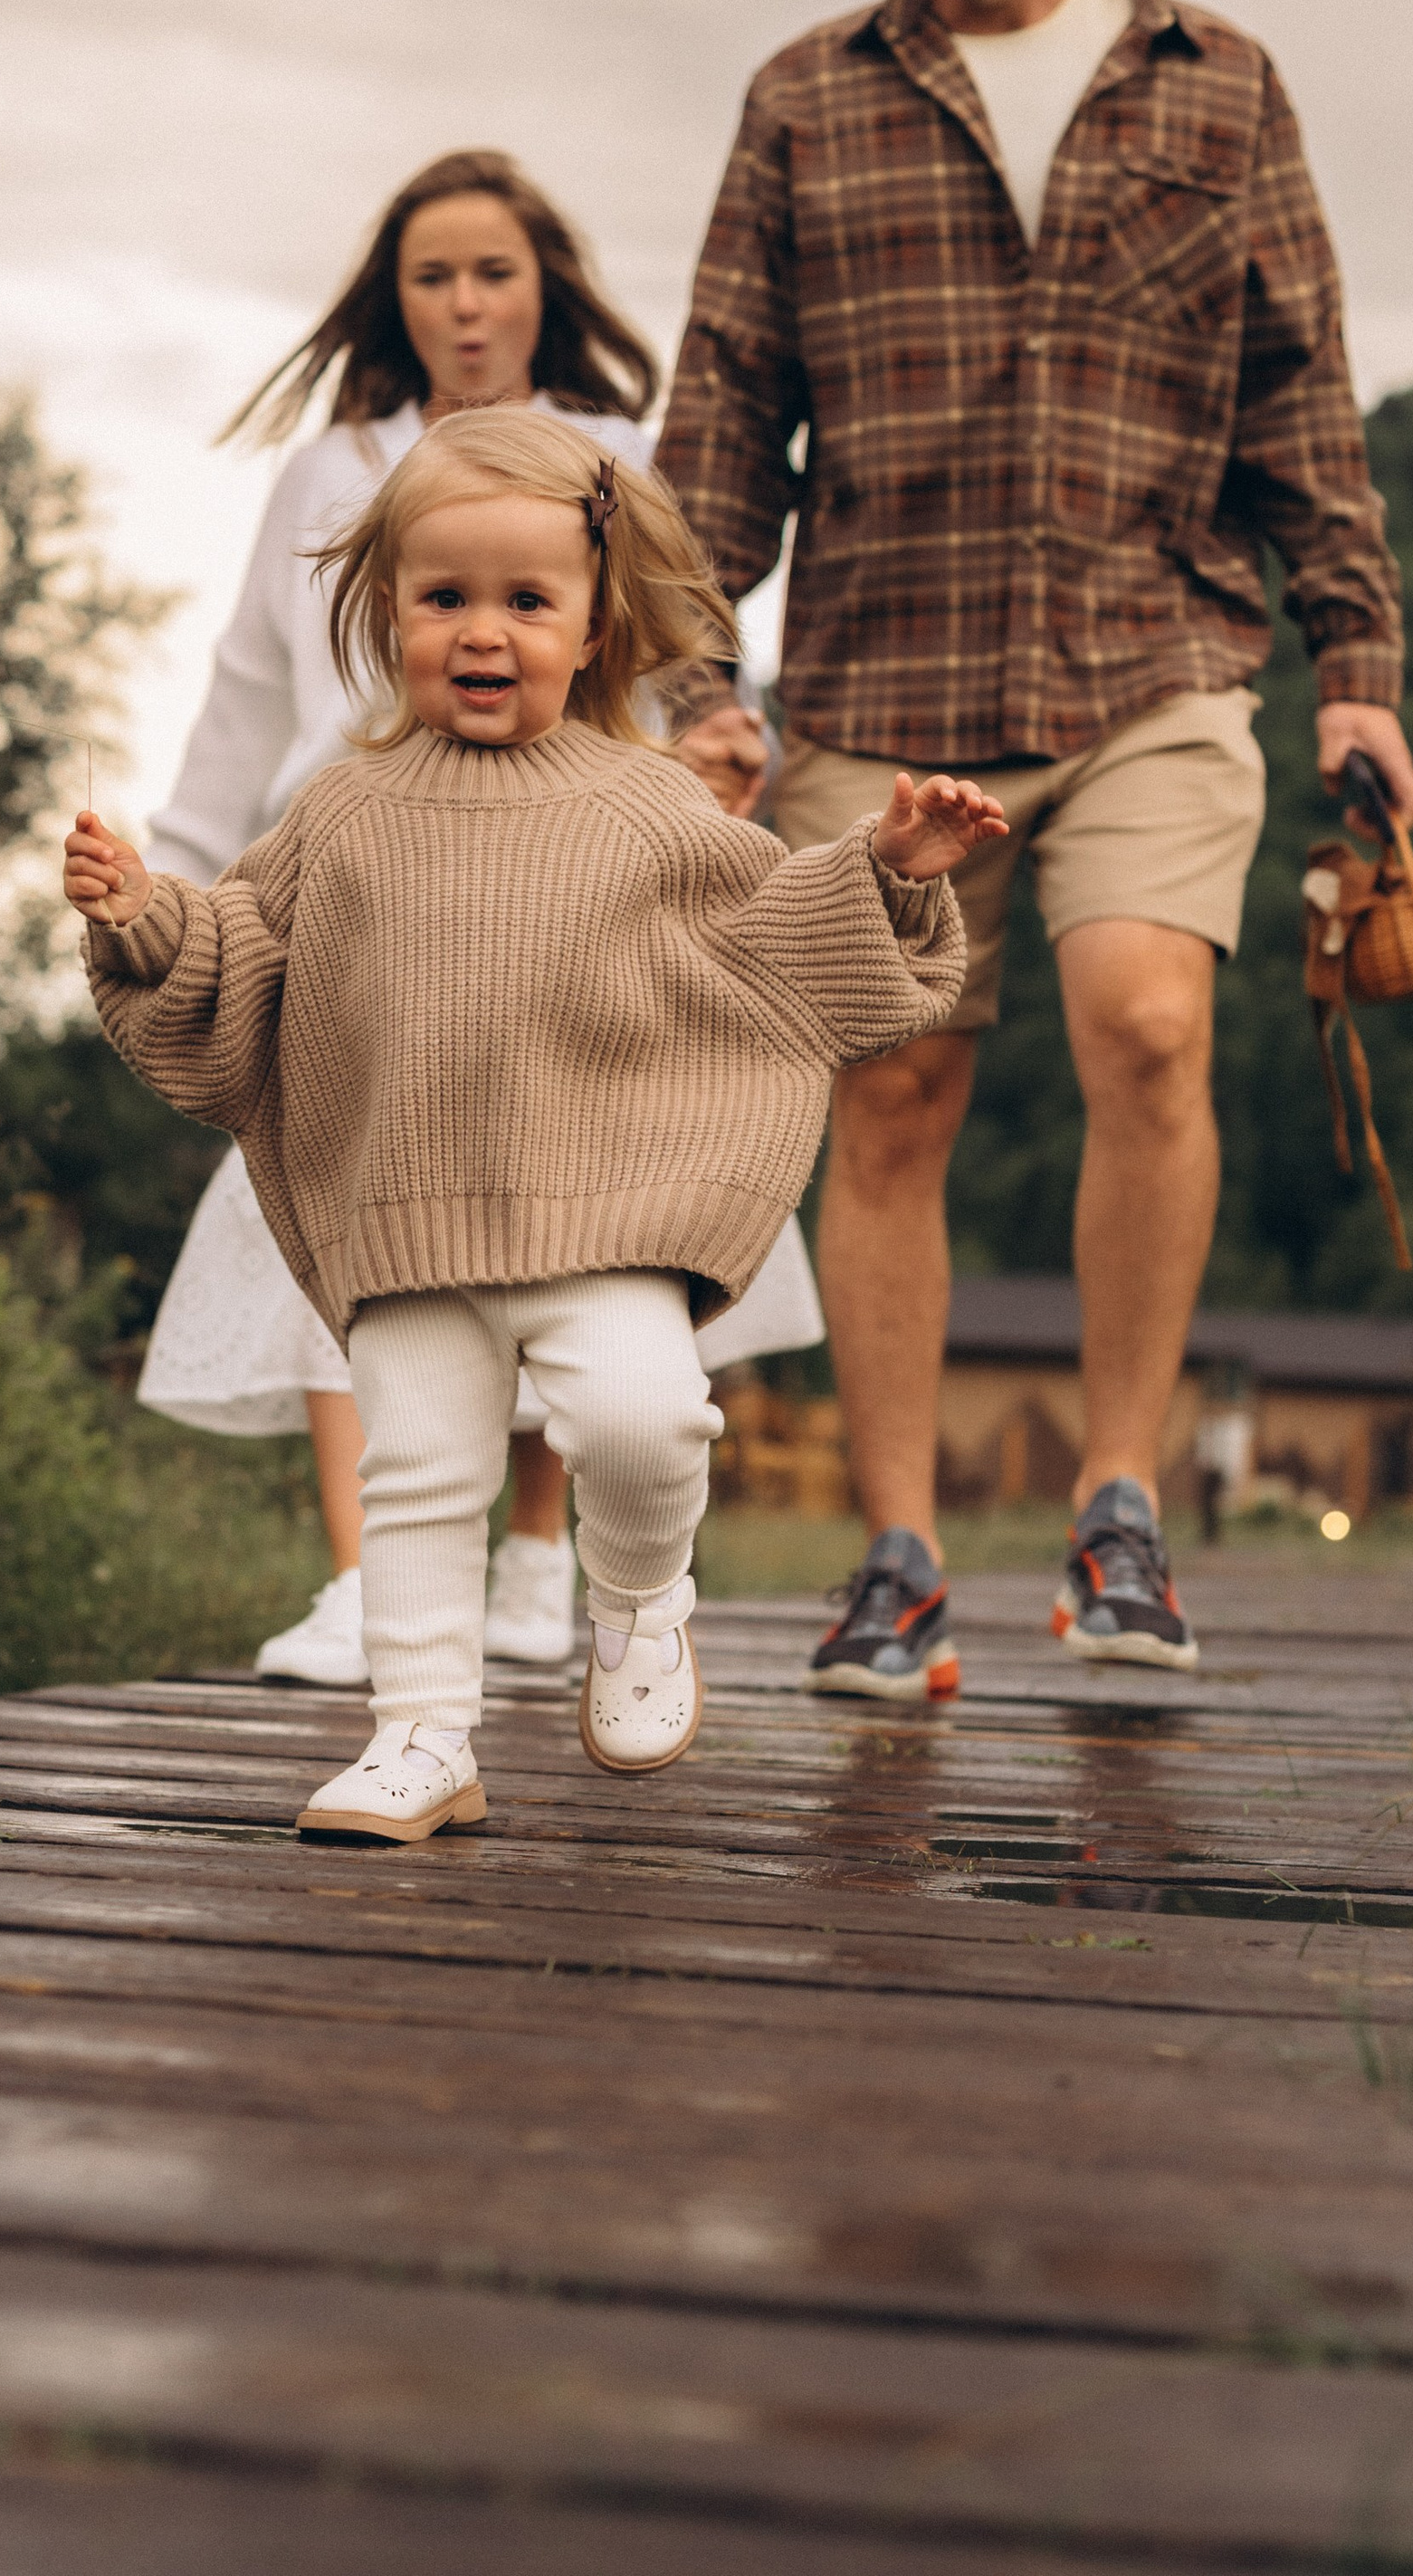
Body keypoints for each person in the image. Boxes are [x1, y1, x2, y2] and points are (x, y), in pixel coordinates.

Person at [659, 0, 1413, 1688]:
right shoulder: (803, 100)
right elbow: (722, 414)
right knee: (894, 1093)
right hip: (877, 677)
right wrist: (687, 675)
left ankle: (1115, 1517)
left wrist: (1356, 665)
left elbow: (1301, 401)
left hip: (1152, 653)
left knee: (1146, 1024)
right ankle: (898, 1550)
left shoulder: (1219, 87)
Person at [64, 407, 998, 1842]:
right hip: (408, 1213)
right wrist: (145, 916)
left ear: (595, 620)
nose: (482, 633)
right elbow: (246, 953)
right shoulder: (345, 812)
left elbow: (768, 932)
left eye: (525, 601)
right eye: (444, 599)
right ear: (387, 617)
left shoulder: (647, 805)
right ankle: (422, 1737)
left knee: (645, 1418)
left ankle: (638, 1597)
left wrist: (885, 868)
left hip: (604, 1213)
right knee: (420, 1479)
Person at [137, 150, 824, 1685]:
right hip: (360, 876)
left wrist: (717, 747)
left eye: (493, 271)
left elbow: (670, 646)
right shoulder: (333, 470)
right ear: (398, 297)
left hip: (561, 877)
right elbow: (252, 683)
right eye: (433, 274)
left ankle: (533, 1567)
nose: (463, 302)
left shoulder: (609, 452)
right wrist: (179, 874)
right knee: (336, 1204)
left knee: (552, 1202)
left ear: (542, 291)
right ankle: (367, 1580)